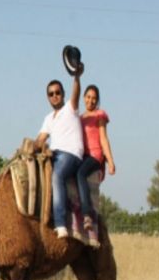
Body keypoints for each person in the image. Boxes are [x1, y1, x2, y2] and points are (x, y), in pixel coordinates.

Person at [35, 64, 84, 238]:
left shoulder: (70, 108)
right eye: (51, 94)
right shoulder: (48, 118)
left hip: (70, 153)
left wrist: (76, 77)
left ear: (63, 94)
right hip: (54, 155)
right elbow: (40, 139)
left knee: (57, 175)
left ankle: (61, 223)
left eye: (57, 92)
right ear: (48, 97)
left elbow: (76, 92)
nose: (55, 96)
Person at [78, 84, 116, 230]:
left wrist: (111, 161)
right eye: (88, 97)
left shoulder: (100, 114)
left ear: (97, 100)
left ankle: (87, 215)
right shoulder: (80, 118)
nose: (91, 101)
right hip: (83, 155)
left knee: (80, 174)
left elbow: (103, 138)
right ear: (83, 98)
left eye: (94, 98)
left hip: (95, 155)